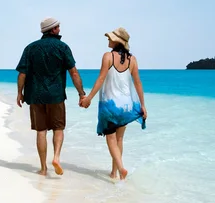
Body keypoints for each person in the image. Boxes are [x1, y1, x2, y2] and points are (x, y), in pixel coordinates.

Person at [16, 17, 86, 176]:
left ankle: (43, 168)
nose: (59, 29)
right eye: (58, 27)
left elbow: (22, 73)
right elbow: (73, 72)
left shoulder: (30, 48)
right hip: (56, 95)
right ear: (53, 29)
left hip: (35, 96)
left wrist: (20, 93)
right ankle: (56, 157)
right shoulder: (63, 47)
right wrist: (81, 93)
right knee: (58, 128)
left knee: (41, 131)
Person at [80, 27, 147, 180]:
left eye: (110, 38)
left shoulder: (107, 56)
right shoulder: (132, 60)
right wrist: (143, 105)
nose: (108, 40)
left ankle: (121, 169)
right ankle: (114, 173)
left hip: (110, 106)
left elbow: (101, 79)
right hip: (126, 106)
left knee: (110, 139)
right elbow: (138, 83)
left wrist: (89, 97)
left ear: (117, 41)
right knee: (119, 139)